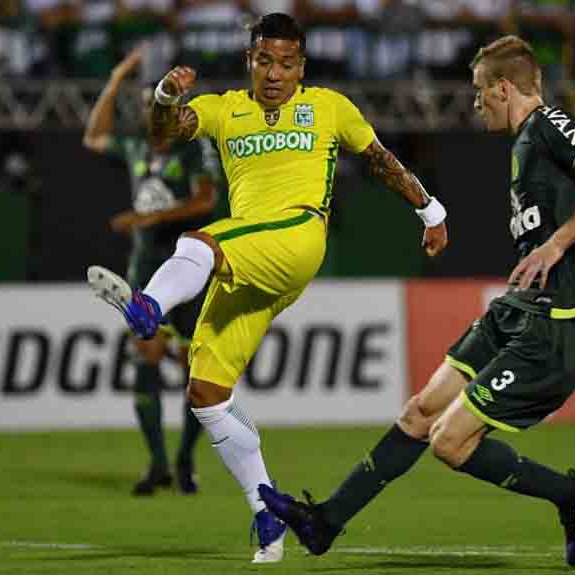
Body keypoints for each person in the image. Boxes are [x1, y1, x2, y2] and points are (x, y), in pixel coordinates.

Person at [258, 34, 575, 568]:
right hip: (516, 309)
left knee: (449, 442)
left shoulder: (547, 125)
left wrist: (556, 242)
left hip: (555, 321)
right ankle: (324, 523)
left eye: (481, 90)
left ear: (505, 88)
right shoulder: (527, 145)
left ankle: (573, 495)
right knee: (420, 413)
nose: (476, 101)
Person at [86, 12, 449, 564]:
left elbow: (379, 159)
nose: (274, 73)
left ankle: (149, 305)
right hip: (254, 263)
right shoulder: (226, 108)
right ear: (248, 62)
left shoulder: (329, 106)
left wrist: (430, 210)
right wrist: (163, 95)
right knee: (206, 391)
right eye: (264, 61)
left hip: (299, 235)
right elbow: (164, 132)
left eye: (285, 63)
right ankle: (266, 513)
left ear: (300, 65)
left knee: (200, 242)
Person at [83, 47, 220, 496]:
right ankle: (159, 462)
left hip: (187, 270)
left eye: (159, 106)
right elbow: (93, 136)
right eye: (147, 106)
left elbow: (205, 202)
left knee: (192, 373)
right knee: (146, 358)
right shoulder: (136, 145)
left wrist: (146, 220)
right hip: (144, 269)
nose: (152, 113)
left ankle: (184, 459)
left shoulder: (194, 147)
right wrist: (117, 74)